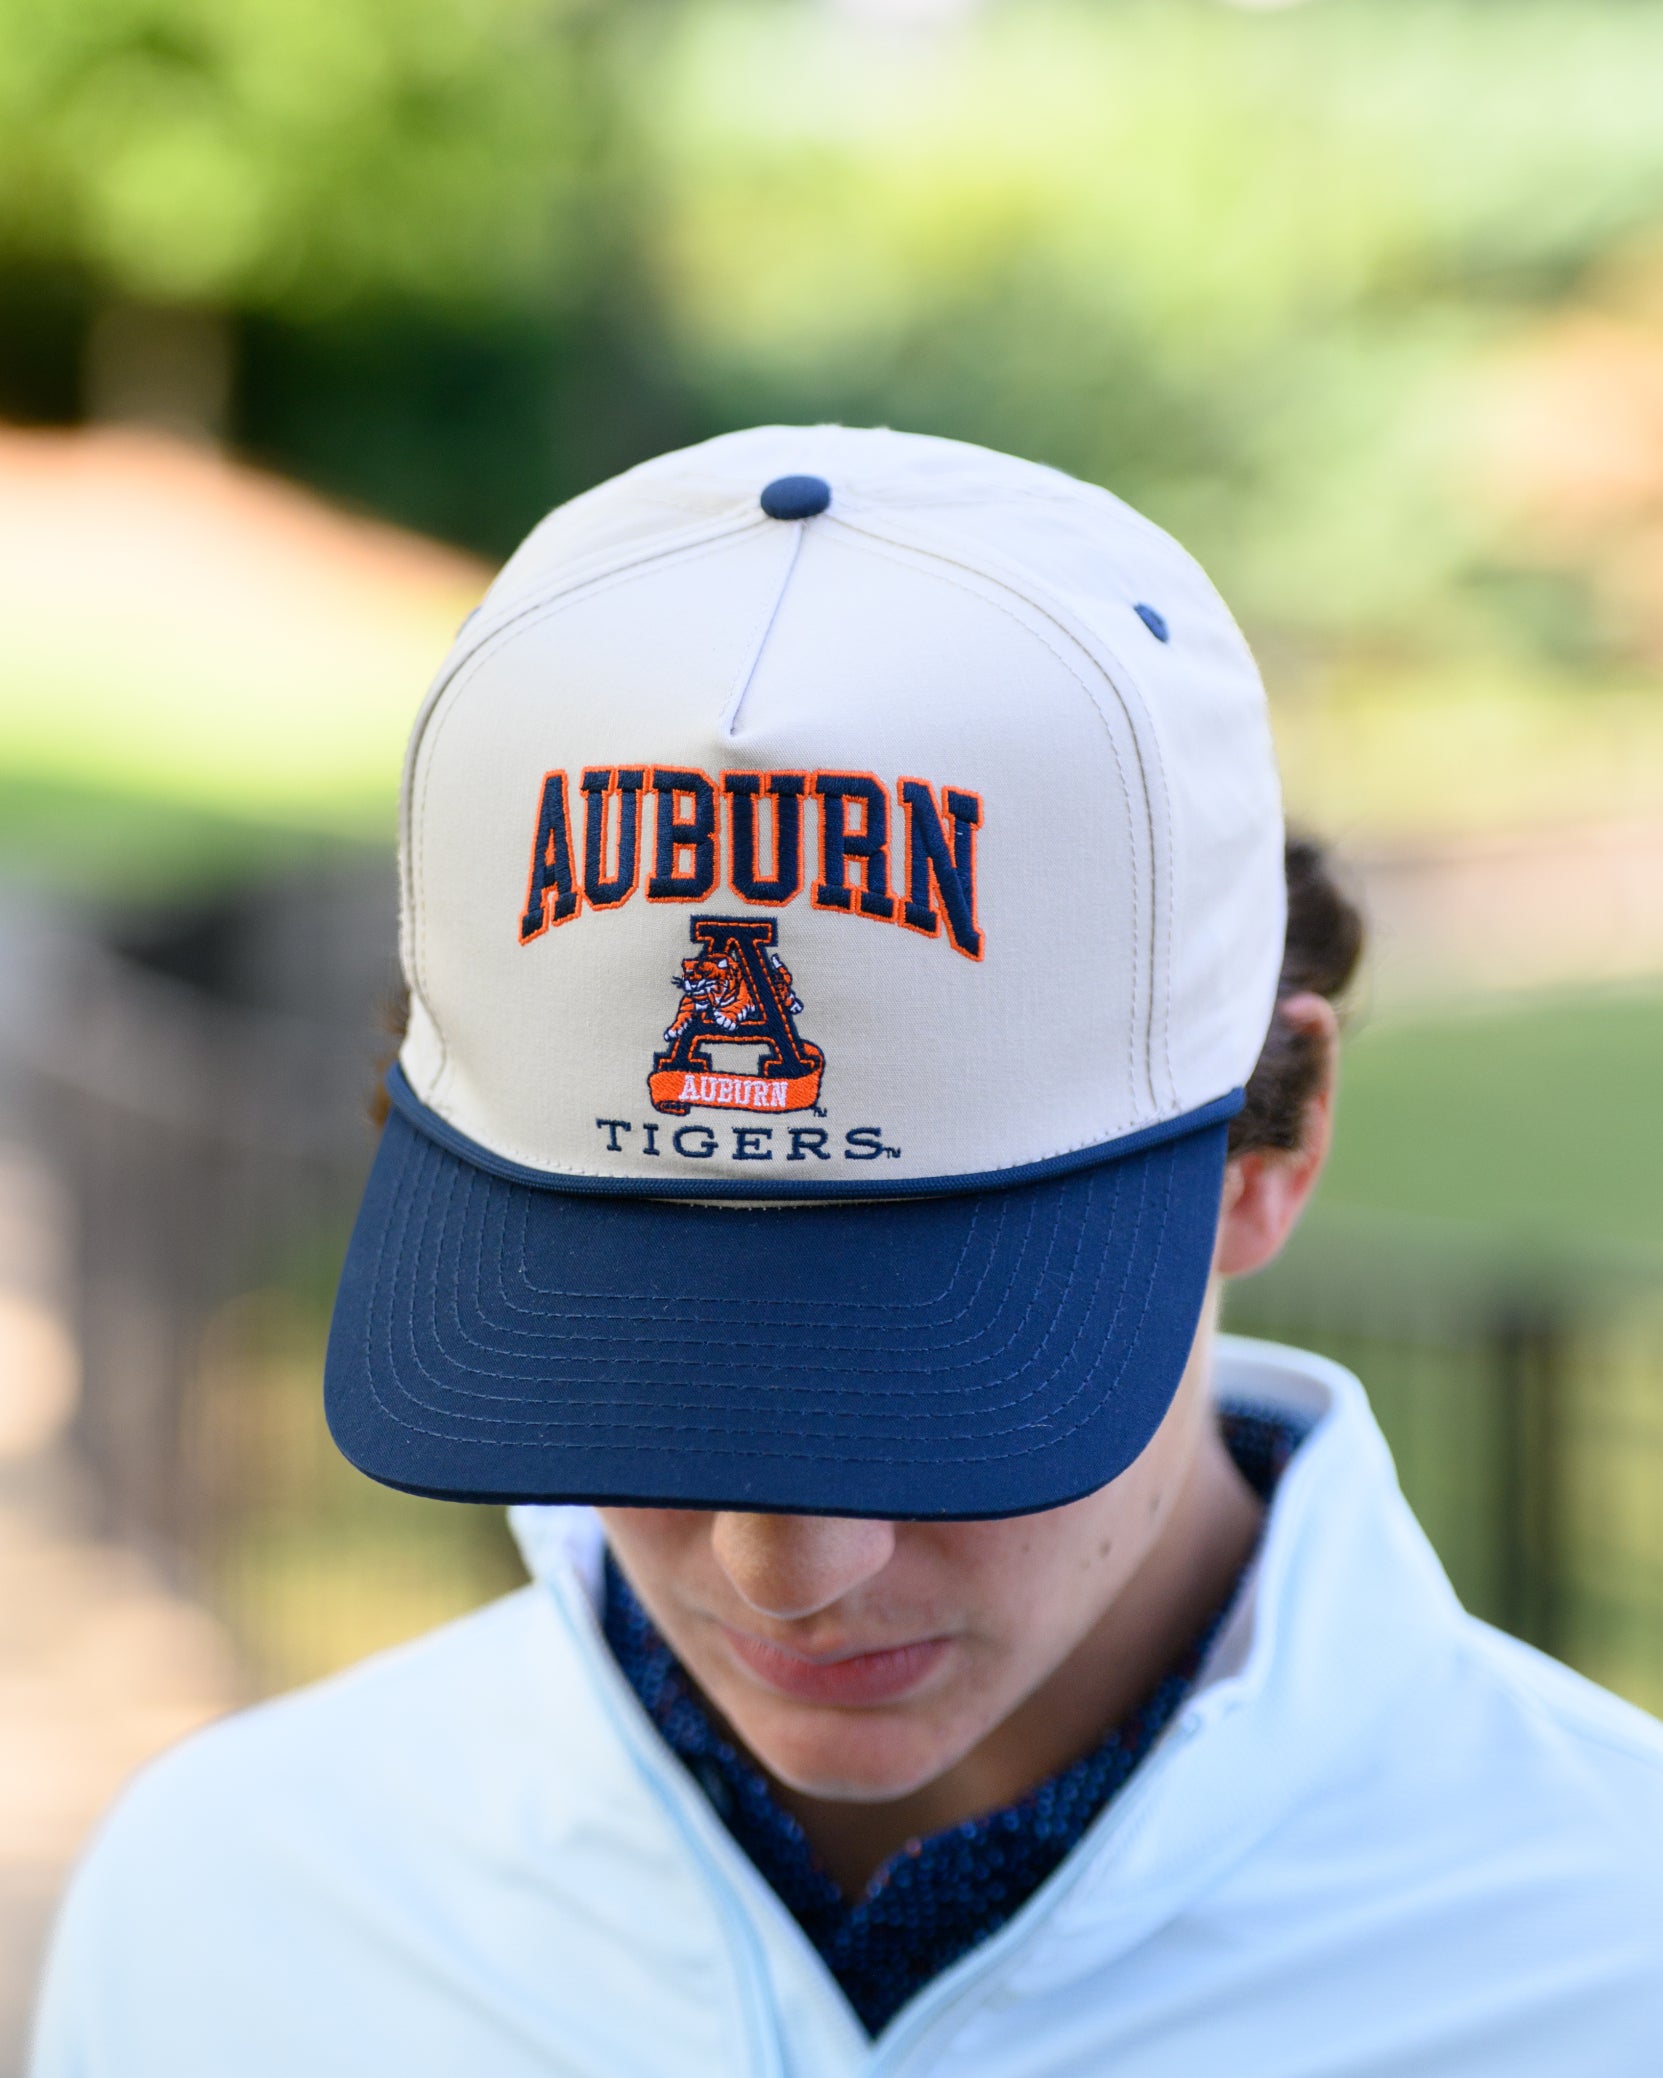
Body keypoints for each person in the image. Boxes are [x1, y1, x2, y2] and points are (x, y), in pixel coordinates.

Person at [31, 428, 1663, 2076]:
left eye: (936, 1384)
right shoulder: (233, 1908)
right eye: (641, 1360)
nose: (784, 1572)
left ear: (1273, 1149)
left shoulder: (1611, 1955)